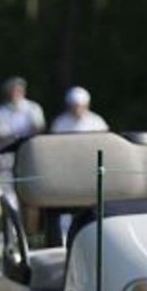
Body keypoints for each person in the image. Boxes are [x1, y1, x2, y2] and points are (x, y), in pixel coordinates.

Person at [47, 86, 109, 243]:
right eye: (75, 105)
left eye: (80, 105)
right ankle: (65, 239)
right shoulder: (60, 123)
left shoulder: (97, 122)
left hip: (91, 172)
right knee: (65, 206)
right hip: (67, 172)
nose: (78, 109)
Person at [0, 75, 45, 200]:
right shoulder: (0, 112)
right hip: (8, 158)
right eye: (13, 90)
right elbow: (0, 136)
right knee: (9, 193)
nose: (16, 93)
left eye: (18, 90)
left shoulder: (34, 108)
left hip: (30, 156)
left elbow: (38, 131)